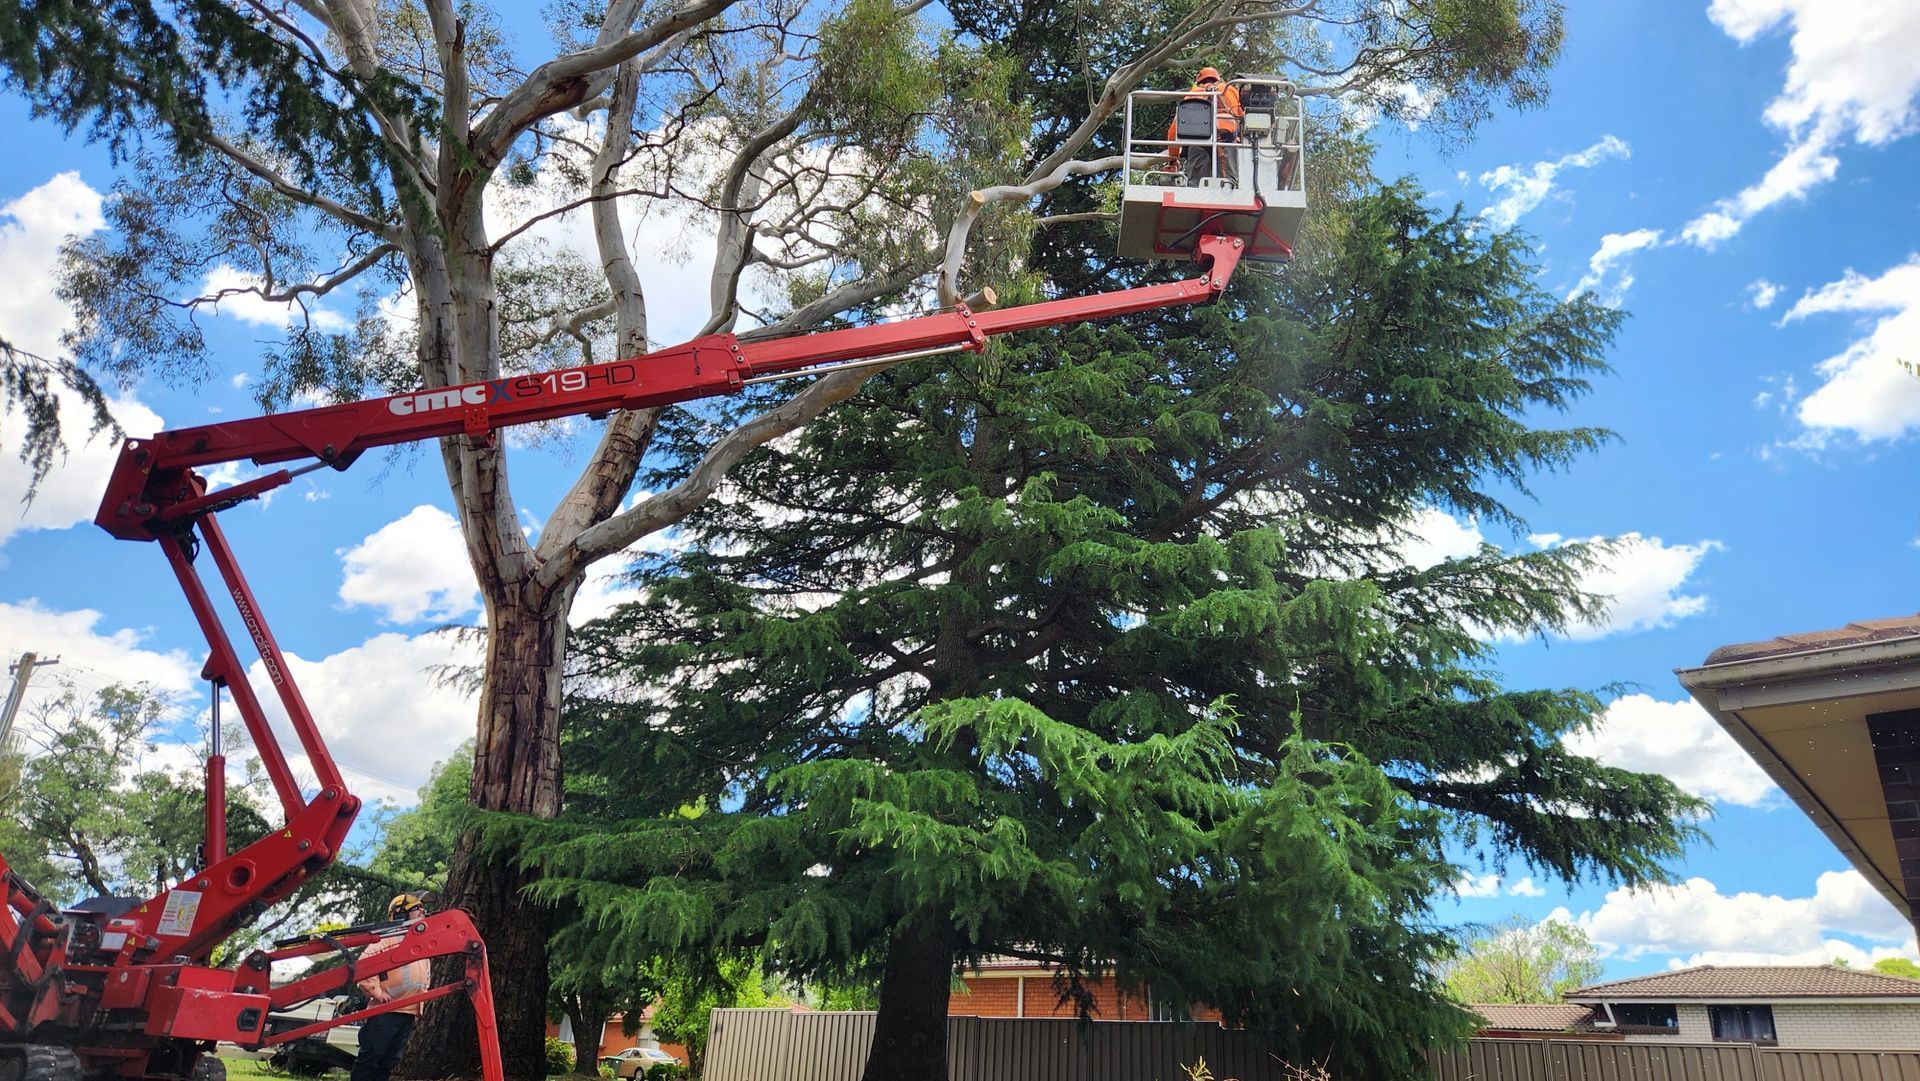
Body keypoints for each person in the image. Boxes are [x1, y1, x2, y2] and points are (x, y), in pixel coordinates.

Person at [352, 893, 433, 1081]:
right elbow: (364, 966)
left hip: (407, 1011)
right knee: (371, 1060)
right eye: (415, 908)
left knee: (389, 1061)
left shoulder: (418, 941)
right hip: (385, 1012)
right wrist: (377, 992)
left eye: (421, 907)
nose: (422, 911)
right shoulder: (389, 939)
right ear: (400, 915)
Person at [1165, 67, 1244, 187]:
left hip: (1198, 141)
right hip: (1227, 140)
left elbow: (1174, 131)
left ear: (1198, 81)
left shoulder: (1193, 93)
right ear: (1218, 79)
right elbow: (1242, 118)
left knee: (1197, 185)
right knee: (1228, 184)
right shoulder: (1230, 90)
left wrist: (1173, 159)